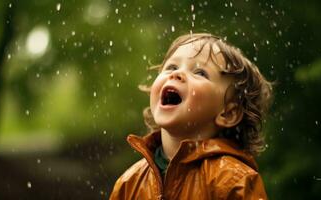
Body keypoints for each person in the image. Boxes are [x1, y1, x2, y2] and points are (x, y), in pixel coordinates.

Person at [109, 33, 272, 200]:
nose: (177, 74)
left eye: (200, 73)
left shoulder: (233, 182)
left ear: (228, 113)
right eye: (171, 67)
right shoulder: (129, 183)